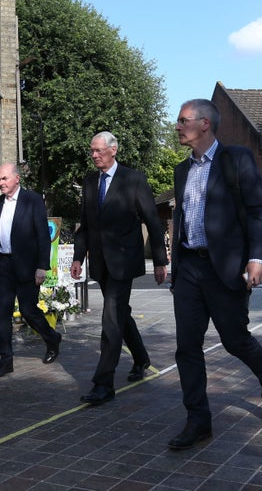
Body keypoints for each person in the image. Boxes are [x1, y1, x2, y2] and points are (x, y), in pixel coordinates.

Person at [168, 98, 262, 450]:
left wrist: (258, 258)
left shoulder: (237, 159)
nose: (177, 126)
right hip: (188, 267)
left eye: (183, 120)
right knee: (187, 346)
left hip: (226, 267)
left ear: (205, 124)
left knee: (234, 339)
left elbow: (258, 212)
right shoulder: (181, 170)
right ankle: (198, 421)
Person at [71, 131, 168, 405]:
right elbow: (85, 225)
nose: (94, 155)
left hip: (124, 261)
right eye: (92, 150)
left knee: (111, 318)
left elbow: (152, 220)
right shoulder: (90, 182)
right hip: (100, 262)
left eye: (99, 150)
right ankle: (141, 359)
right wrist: (79, 257)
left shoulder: (133, 179)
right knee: (120, 314)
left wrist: (160, 260)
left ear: (113, 150)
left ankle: (103, 383)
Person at [0, 162, 62, 378]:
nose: (0, 183)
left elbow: (42, 235)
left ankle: (51, 338)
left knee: (29, 311)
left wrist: (42, 266)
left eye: (4, 179)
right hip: (3, 264)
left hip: (27, 266)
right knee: (2, 314)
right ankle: (5, 360)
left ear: (17, 178)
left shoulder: (33, 200)